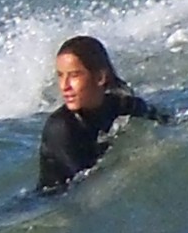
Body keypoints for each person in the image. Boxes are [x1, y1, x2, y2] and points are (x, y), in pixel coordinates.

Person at [36, 36, 172, 193]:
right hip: (51, 205)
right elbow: (85, 186)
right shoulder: (60, 127)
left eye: (74, 75)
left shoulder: (120, 105)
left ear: (100, 77)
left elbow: (169, 121)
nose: (64, 86)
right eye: (60, 75)